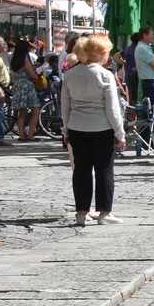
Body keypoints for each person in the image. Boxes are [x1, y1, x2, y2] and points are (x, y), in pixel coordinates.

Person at [60, 35, 126, 225]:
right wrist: (119, 133)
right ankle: (104, 212)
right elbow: (112, 109)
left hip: (76, 127)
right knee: (104, 170)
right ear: (101, 54)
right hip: (101, 128)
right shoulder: (104, 75)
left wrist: (65, 131)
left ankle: (81, 212)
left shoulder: (70, 75)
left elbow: (65, 106)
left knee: (81, 170)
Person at [10, 38, 42, 141]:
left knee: (22, 112)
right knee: (35, 110)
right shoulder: (25, 59)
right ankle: (30, 135)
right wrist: (36, 73)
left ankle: (21, 135)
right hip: (27, 86)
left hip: (17, 85)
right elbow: (33, 75)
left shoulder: (14, 59)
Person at [133, 26, 154, 105]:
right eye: (152, 34)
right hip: (151, 82)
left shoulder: (145, 48)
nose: (153, 36)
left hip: (151, 81)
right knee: (153, 108)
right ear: (145, 36)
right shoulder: (143, 48)